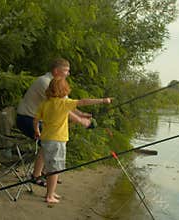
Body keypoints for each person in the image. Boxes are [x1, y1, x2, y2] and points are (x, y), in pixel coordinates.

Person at [34, 77, 112, 203]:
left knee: (51, 167)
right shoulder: (64, 103)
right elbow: (84, 102)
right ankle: (49, 196)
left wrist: (37, 130)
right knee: (55, 169)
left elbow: (36, 119)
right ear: (64, 89)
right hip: (58, 141)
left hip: (46, 139)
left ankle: (51, 192)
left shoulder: (45, 103)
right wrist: (103, 100)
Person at [16, 58, 92, 186]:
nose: (68, 74)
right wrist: (81, 121)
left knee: (53, 140)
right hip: (26, 119)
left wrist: (81, 114)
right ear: (56, 71)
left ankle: (49, 174)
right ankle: (36, 176)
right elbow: (61, 108)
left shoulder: (57, 83)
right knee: (48, 142)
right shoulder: (45, 82)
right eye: (66, 71)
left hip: (37, 120)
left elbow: (66, 104)